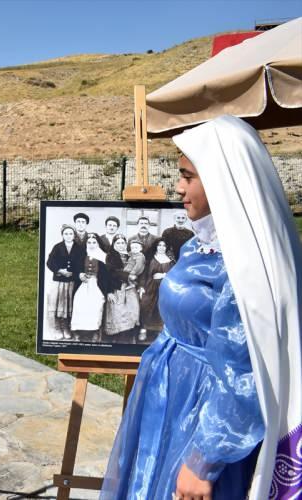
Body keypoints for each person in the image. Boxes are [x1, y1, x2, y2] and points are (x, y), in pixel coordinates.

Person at [102, 115, 301, 500]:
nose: (178, 187)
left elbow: (244, 375)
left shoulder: (241, 267)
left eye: (188, 176)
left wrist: (204, 461)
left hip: (200, 415)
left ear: (224, 181)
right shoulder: (200, 246)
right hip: (171, 402)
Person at [45, 224, 84, 340]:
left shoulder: (79, 248)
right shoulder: (57, 247)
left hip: (72, 281)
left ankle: (66, 327)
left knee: (69, 304)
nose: (68, 236)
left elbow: (82, 264)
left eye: (71, 233)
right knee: (58, 303)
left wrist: (75, 273)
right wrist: (60, 271)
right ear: (62, 235)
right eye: (66, 234)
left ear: (74, 235)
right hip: (59, 281)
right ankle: (57, 327)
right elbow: (50, 262)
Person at [70, 233, 108, 341]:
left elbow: (106, 275)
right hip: (83, 284)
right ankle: (77, 331)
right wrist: (80, 274)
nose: (91, 245)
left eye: (94, 242)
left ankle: (95, 331)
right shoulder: (82, 255)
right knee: (79, 302)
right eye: (89, 242)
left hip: (97, 284)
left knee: (95, 304)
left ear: (98, 244)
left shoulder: (103, 256)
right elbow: (76, 268)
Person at [103, 234, 140, 343]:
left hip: (130, 288)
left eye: (122, 243)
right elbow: (109, 274)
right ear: (114, 244)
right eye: (117, 243)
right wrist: (109, 292)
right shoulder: (110, 256)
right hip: (116, 288)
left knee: (132, 311)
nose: (120, 245)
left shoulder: (131, 255)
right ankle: (118, 340)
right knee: (118, 313)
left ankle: (129, 338)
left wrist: (138, 283)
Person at [138, 238, 174, 341]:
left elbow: (174, 274)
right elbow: (144, 274)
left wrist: (163, 275)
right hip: (150, 287)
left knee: (161, 308)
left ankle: (159, 330)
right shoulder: (150, 259)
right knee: (146, 305)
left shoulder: (171, 260)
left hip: (164, 289)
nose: (161, 247)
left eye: (164, 245)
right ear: (156, 247)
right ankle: (144, 328)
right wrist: (141, 287)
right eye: (159, 245)